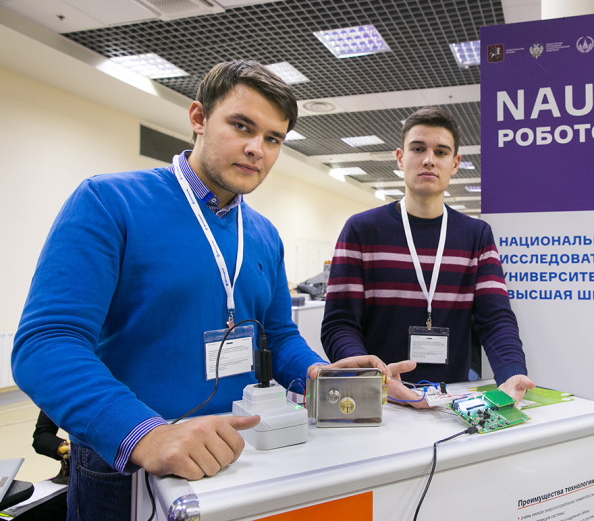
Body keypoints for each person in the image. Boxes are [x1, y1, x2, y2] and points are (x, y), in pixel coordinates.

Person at [12, 60, 387, 520]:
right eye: (241, 126)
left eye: (273, 139)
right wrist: (145, 434)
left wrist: (319, 376)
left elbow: (279, 337)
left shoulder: (263, 234)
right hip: (127, 462)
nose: (257, 149)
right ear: (198, 119)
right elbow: (46, 344)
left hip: (238, 451)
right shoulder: (110, 202)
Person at [321, 106, 535, 407]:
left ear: (456, 163)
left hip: (453, 399)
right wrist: (372, 377)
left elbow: (495, 319)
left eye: (441, 152)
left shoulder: (476, 235)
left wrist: (511, 373)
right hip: (379, 398)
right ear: (400, 157)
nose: (429, 160)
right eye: (418, 149)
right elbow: (339, 324)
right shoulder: (361, 230)